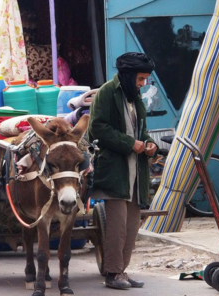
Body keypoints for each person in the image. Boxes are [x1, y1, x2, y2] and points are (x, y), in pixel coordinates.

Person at [89, 52, 158, 289]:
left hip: (135, 173)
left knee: (131, 227)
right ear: (128, 76)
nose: (142, 84)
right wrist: (129, 144)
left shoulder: (135, 98)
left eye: (145, 79)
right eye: (140, 79)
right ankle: (112, 273)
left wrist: (149, 145)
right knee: (117, 226)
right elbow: (97, 128)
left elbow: (142, 132)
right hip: (115, 171)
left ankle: (121, 271)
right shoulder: (108, 92)